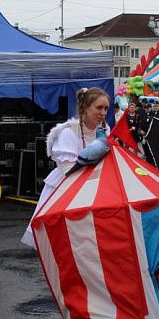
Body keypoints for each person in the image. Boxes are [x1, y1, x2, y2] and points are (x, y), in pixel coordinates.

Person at [23, 87, 110, 247]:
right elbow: (68, 170)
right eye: (99, 107)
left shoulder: (105, 132)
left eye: (106, 108)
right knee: (63, 243)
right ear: (85, 107)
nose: (103, 113)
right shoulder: (68, 132)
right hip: (66, 188)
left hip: (94, 187)